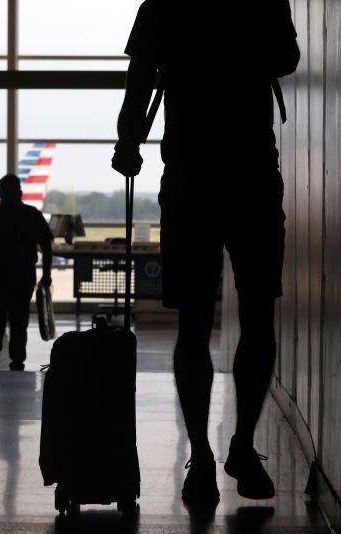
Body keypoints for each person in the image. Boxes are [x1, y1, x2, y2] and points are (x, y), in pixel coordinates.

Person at [112, 0, 299, 506]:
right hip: (252, 175)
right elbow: (286, 58)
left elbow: (140, 78)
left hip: (192, 179)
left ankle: (202, 455)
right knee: (257, 316)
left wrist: (128, 141)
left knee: (195, 324)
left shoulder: (163, 6)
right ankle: (235, 446)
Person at [0, 174, 53, 371]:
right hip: (23, 275)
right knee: (19, 320)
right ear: (20, 192)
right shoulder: (32, 215)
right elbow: (46, 245)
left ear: (1, 193)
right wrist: (46, 274)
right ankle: (17, 359)